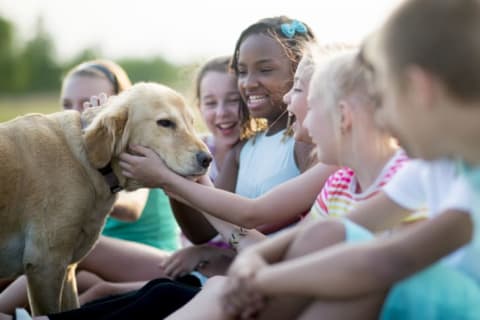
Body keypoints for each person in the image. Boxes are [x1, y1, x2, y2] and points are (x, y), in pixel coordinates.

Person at [218, 1, 480, 319]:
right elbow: (338, 228)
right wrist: (254, 257)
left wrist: (264, 279)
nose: (381, 118)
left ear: (418, 89)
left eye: (383, 100)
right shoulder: (438, 165)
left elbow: (388, 261)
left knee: (366, 278)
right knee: (330, 238)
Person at [0, 59, 180, 314]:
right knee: (60, 259)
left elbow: (132, 208)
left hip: (151, 256)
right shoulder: (60, 159)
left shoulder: (138, 151)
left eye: (89, 103)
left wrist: (95, 176)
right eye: (67, 104)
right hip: (92, 264)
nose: (78, 112)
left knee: (59, 244)